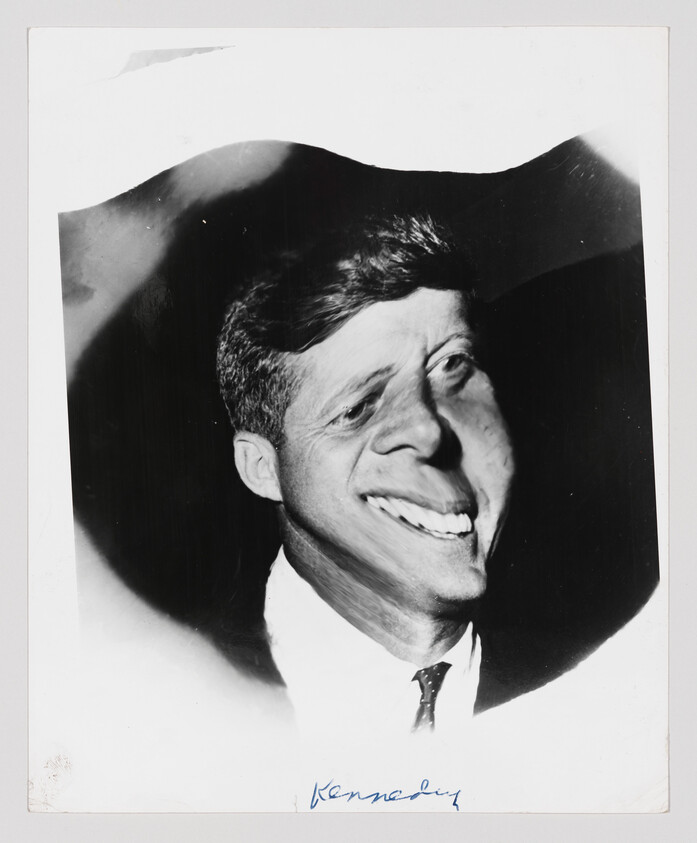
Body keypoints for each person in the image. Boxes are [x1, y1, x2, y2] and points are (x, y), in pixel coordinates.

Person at [216, 213, 515, 742]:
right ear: (263, 470)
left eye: (452, 366)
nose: (430, 430)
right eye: (357, 409)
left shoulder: (617, 681)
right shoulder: (163, 695)